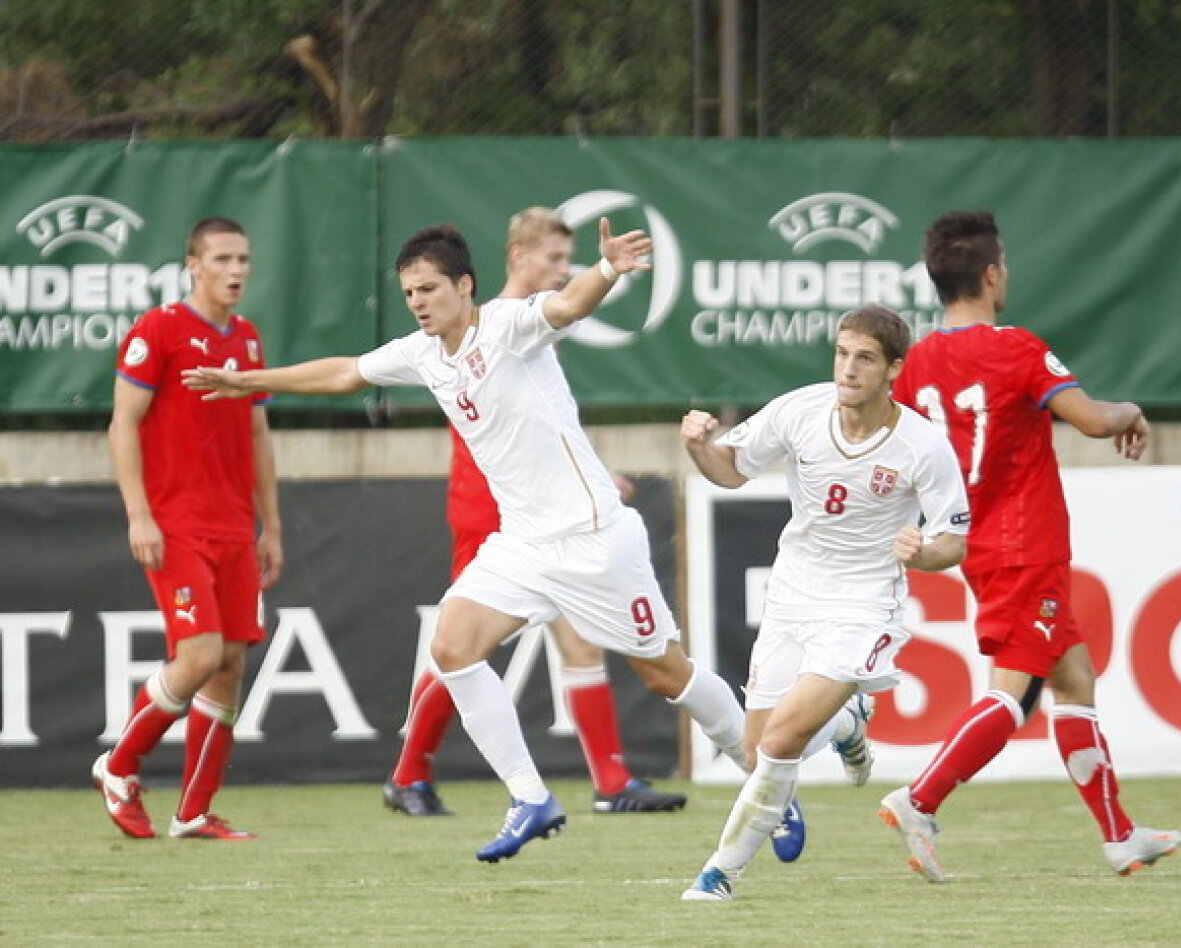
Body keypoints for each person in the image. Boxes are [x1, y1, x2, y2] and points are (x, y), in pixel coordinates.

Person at [184, 217, 765, 864]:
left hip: (595, 539)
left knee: (666, 673)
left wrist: (605, 270)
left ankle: (767, 780)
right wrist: (250, 381)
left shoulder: (510, 325)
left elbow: (570, 302)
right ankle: (530, 798)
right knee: (452, 645)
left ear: (465, 286)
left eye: (429, 288)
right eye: (409, 294)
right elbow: (346, 373)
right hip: (523, 546)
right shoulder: (422, 353)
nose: (419, 303)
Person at [882, 209, 1181, 880]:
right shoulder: (1016, 348)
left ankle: (1119, 835)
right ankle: (920, 798)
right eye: (1006, 265)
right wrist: (1131, 411)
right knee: (1013, 693)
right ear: (991, 275)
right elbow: (1094, 420)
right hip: (1026, 545)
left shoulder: (919, 363)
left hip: (973, 544)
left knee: (1075, 678)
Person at [383, 208, 686, 817]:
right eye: (552, 259)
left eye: (565, 262)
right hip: (494, 517)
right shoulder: (477, 327)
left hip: (549, 520)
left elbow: (543, 424)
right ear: (518, 258)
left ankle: (610, 782)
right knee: (462, 648)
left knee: (578, 644)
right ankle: (410, 772)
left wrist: (596, 474)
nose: (560, 271)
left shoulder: (520, 328)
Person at [677, 304, 970, 902]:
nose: (848, 368)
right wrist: (699, 448)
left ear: (893, 369)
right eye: (842, 353)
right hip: (793, 593)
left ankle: (719, 873)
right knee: (760, 750)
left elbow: (954, 541)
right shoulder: (801, 410)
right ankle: (846, 723)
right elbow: (730, 472)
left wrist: (921, 553)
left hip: (863, 605)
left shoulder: (922, 446)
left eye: (864, 358)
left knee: (781, 741)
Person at [94, 216, 283, 841]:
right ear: (192, 265)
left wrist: (270, 527)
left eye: (244, 259)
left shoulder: (248, 340)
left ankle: (193, 811)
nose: (236, 271)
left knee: (229, 663)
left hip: (234, 527)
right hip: (176, 524)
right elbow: (124, 423)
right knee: (199, 654)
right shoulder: (160, 329)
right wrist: (139, 512)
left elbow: (257, 435)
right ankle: (119, 767)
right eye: (223, 258)